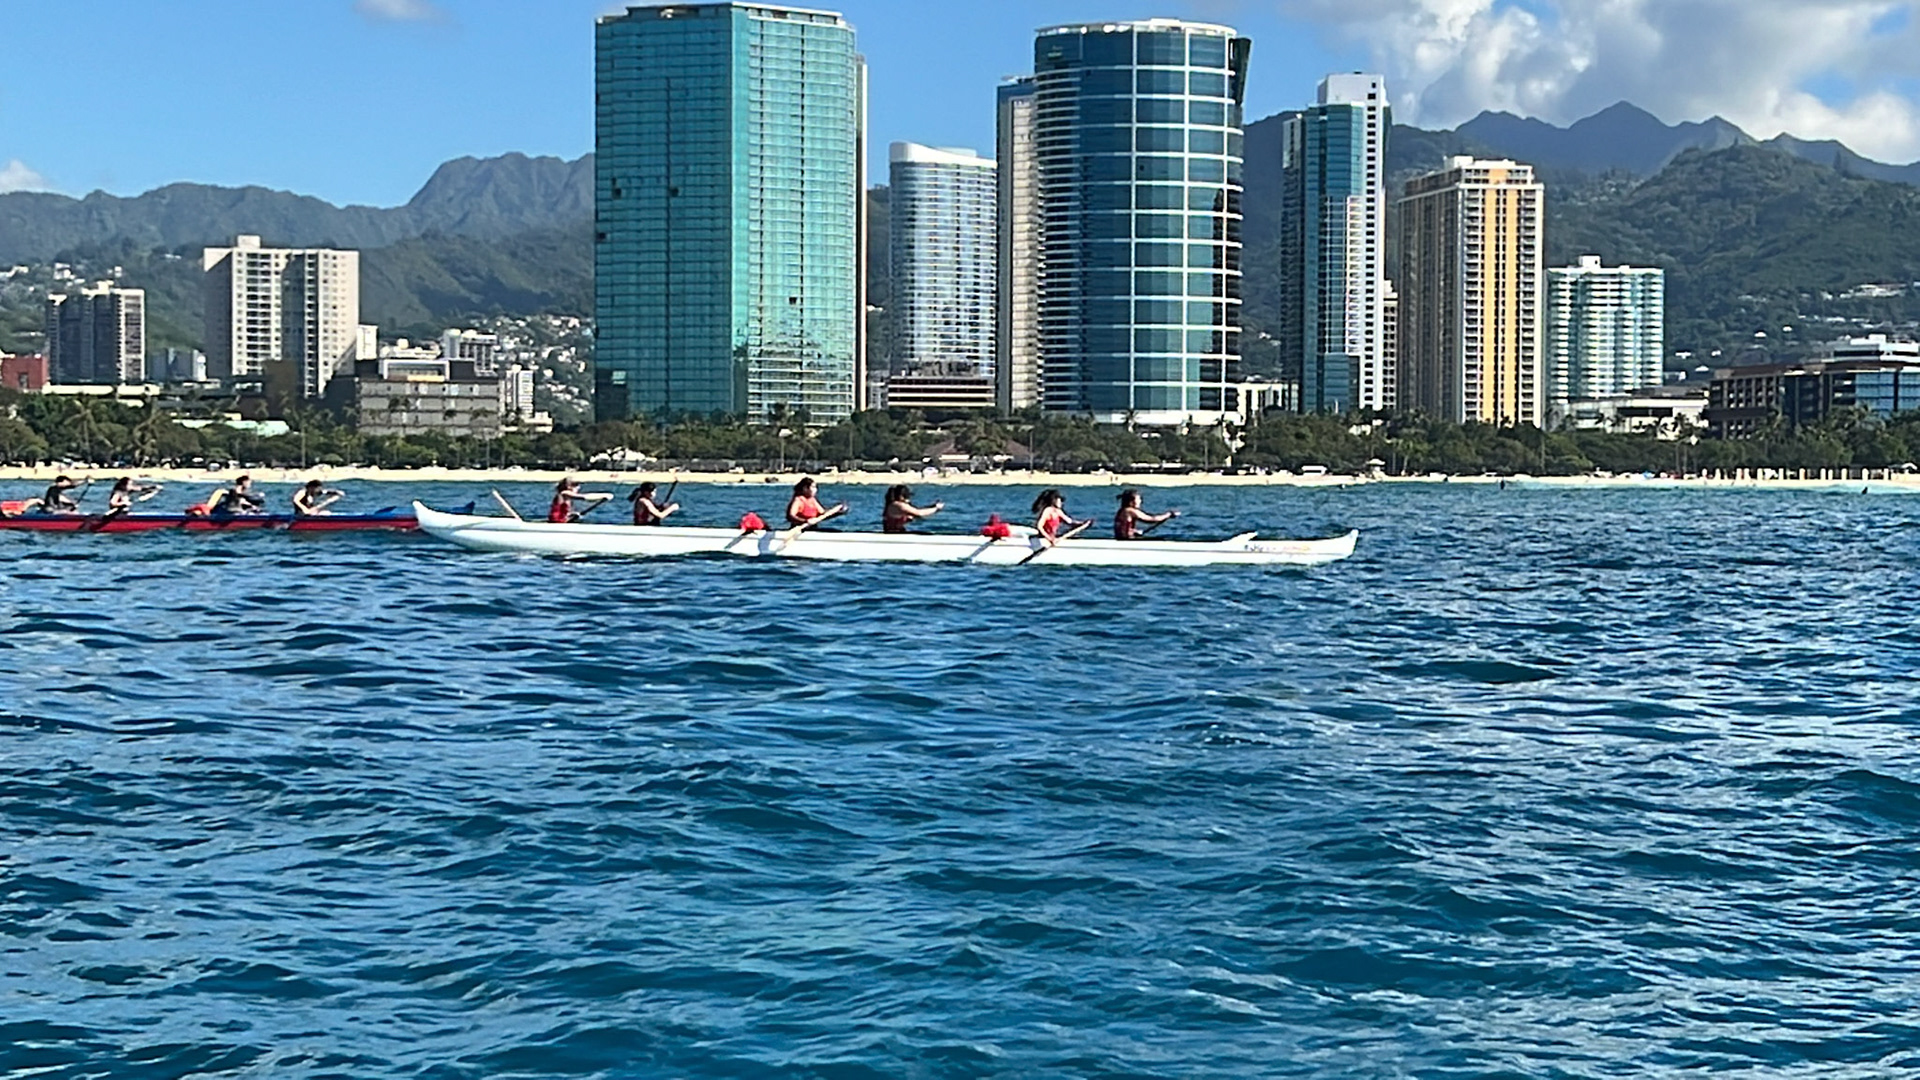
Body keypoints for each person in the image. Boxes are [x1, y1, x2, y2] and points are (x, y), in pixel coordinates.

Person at [1113, 489, 1177, 540]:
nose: (1140, 501)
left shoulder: (1122, 510)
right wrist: (1168, 514)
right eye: (1139, 499)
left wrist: (1135, 531)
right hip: (1127, 540)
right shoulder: (1130, 511)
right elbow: (1152, 519)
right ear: (1131, 502)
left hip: (1124, 539)